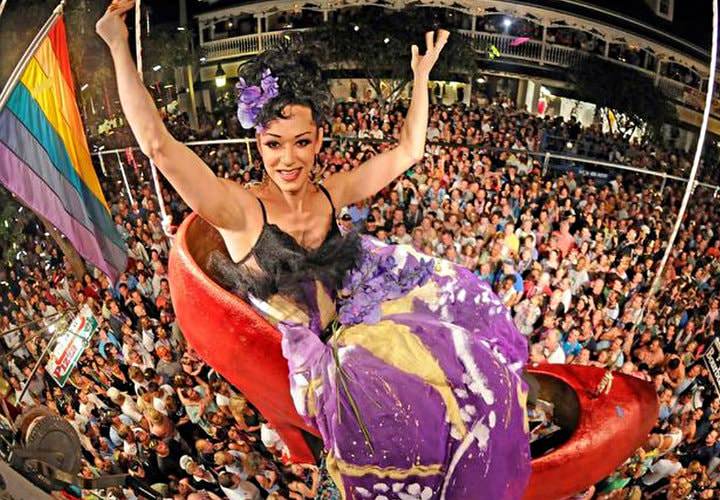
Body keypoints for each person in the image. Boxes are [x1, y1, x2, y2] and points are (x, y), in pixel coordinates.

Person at [98, 4, 529, 498]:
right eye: (273, 143)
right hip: (319, 360)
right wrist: (114, 41)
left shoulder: (330, 194)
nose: (288, 159)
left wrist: (422, 76)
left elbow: (409, 151)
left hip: (361, 318)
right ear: (256, 142)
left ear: (319, 138)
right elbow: (158, 145)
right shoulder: (241, 211)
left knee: (463, 324)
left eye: (301, 142)